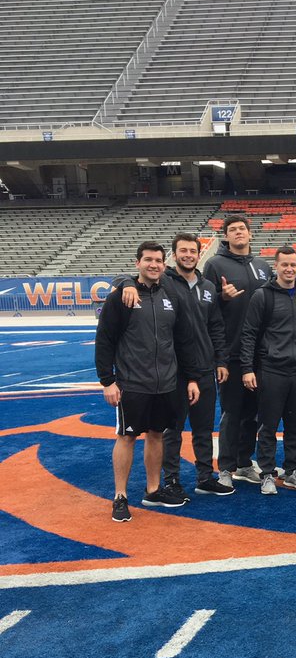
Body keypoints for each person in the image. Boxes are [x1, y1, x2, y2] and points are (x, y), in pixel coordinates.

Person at [117, 232, 232, 498]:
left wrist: (221, 360)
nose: (189, 255)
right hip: (173, 372)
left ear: (199, 253)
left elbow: (216, 326)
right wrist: (126, 283)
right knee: (171, 430)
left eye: (193, 251)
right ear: (174, 255)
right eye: (183, 251)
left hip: (203, 368)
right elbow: (126, 278)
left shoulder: (207, 287)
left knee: (204, 428)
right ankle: (171, 480)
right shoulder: (163, 281)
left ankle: (205, 476)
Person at [95, 242, 200, 521]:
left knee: (157, 434)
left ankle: (153, 490)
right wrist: (108, 381)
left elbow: (181, 341)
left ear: (164, 265)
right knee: (127, 436)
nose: (153, 265)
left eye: (158, 260)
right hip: (132, 383)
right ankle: (120, 496)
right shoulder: (121, 296)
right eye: (148, 260)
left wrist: (190, 378)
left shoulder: (171, 296)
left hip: (165, 383)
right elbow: (105, 339)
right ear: (137, 263)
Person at [203, 214, 273, 488]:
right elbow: (205, 307)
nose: (238, 233)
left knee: (253, 413)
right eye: (232, 230)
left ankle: (244, 462)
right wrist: (222, 298)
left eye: (242, 228)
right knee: (232, 411)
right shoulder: (214, 264)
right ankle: (226, 467)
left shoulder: (262, 266)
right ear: (226, 236)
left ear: (250, 234)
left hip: (260, 354)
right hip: (231, 353)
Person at [240, 247, 296, 495]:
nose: (290, 269)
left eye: (293, 265)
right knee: (268, 425)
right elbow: (249, 333)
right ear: (277, 266)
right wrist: (247, 369)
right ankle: (267, 474)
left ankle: (293, 471)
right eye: (285, 265)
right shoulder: (263, 296)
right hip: (272, 369)